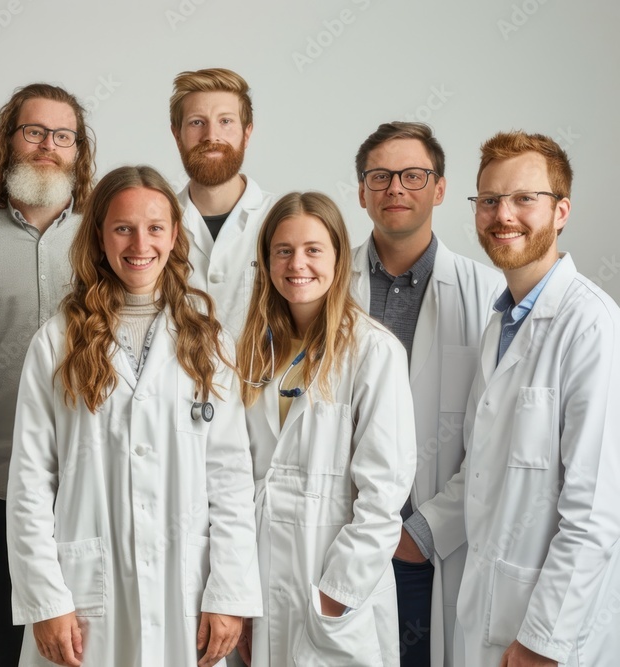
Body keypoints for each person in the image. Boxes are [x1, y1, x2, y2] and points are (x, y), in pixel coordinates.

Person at [6, 165, 262, 667]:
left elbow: (230, 479)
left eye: (155, 227)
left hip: (185, 591)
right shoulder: (56, 342)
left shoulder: (209, 340)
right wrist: (46, 600)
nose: (139, 243)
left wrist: (229, 594)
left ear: (173, 236)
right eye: (123, 227)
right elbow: (31, 483)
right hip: (83, 595)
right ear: (99, 237)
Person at [407, 131, 620, 666]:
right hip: (490, 612)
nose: (504, 215)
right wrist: (404, 536)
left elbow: (596, 512)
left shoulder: (592, 326)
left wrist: (543, 642)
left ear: (561, 210)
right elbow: (481, 474)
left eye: (525, 198)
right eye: (489, 200)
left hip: (549, 636)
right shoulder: (501, 323)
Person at [0, 82, 95, 667]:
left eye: (62, 136)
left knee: (86, 648)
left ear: (78, 151)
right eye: (34, 132)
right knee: (5, 652)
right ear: (9, 142)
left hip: (88, 490)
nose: (47, 147)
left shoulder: (103, 244)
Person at [236, 192, 416, 667]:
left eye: (314, 249)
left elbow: (382, 498)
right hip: (255, 586)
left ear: (339, 257)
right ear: (267, 260)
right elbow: (231, 480)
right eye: (283, 250)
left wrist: (333, 600)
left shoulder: (374, 352)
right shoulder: (251, 351)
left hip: (333, 592)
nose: (298, 264)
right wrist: (237, 597)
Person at [351, 121, 503, 665]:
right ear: (362, 190)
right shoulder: (322, 283)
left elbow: (495, 442)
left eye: (413, 175)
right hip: (338, 543)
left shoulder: (487, 295)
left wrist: (424, 532)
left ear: (439, 189)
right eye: (381, 176)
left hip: (424, 550)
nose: (396, 188)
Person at [169, 67, 275, 339]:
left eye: (225, 121)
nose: (211, 136)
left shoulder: (280, 220)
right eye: (196, 122)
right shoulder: (156, 224)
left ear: (247, 133)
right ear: (176, 135)